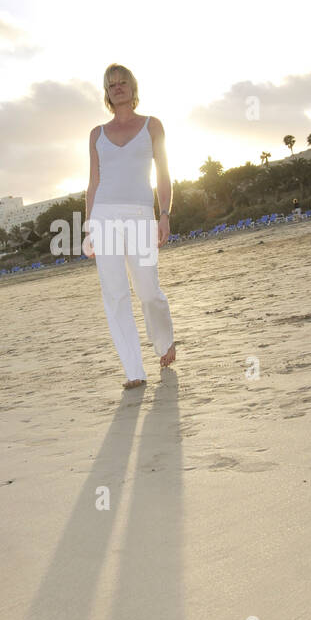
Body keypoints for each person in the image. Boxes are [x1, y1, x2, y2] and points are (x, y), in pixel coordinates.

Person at [84, 64, 176, 389]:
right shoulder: (96, 134)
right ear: (107, 93)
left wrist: (164, 214)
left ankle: (164, 342)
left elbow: (164, 174)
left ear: (132, 87)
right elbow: (93, 184)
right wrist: (88, 228)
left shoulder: (153, 126)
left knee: (148, 290)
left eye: (123, 82)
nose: (118, 88)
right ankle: (134, 371)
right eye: (112, 85)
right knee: (116, 295)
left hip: (140, 215)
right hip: (103, 217)